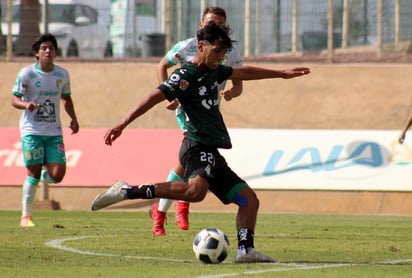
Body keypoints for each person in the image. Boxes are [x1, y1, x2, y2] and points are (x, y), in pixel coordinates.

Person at [91, 22, 310, 263]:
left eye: (223, 53)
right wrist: (123, 123)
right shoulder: (185, 75)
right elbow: (154, 96)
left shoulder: (214, 71)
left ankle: (245, 250)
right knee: (195, 192)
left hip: (211, 151)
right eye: (217, 51)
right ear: (201, 46)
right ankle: (126, 191)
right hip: (195, 145)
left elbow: (244, 72)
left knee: (249, 200)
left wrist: (280, 74)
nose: (220, 57)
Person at [152, 6, 243, 236]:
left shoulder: (230, 50)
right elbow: (162, 64)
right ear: (201, 25)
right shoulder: (187, 46)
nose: (217, 27)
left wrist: (233, 92)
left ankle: (161, 211)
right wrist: (169, 97)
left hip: (210, 112)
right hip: (189, 110)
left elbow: (239, 81)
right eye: (212, 22)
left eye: (221, 23)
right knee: (194, 151)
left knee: (184, 163)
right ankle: (180, 205)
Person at [11, 33, 79, 227]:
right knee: (32, 171)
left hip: (53, 132)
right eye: (44, 48)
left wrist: (73, 118)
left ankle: (44, 174)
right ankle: (26, 216)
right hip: (31, 129)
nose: (48, 51)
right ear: (37, 53)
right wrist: (26, 105)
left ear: (56, 52)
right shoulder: (27, 74)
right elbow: (14, 99)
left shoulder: (62, 74)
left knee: (57, 175)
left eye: (51, 48)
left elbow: (66, 98)